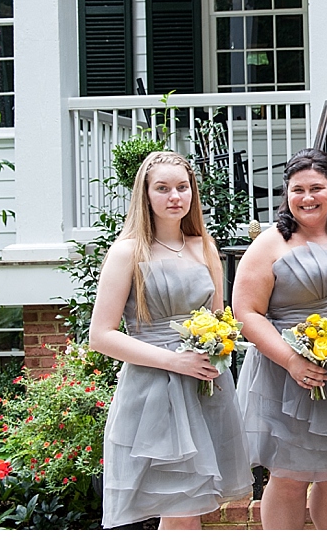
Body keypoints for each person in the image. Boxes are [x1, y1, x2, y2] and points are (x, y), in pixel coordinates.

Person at [90, 151, 253, 530]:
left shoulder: (205, 247)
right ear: (145, 195)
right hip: (155, 391)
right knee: (178, 507)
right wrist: (174, 361)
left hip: (205, 387)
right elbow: (101, 335)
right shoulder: (127, 252)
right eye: (162, 188)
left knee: (192, 507)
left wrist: (221, 343)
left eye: (182, 187)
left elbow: (218, 318)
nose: (174, 196)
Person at [233, 148, 327, 530]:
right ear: (286, 194)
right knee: (290, 475)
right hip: (288, 375)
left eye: (316, 188)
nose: (307, 198)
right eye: (298, 190)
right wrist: (292, 361)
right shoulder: (270, 243)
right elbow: (246, 313)